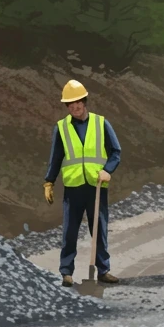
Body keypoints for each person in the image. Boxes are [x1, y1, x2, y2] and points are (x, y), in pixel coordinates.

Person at [43, 79, 122, 286]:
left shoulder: (101, 123)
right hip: (73, 188)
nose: (75, 107)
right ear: (67, 107)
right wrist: (49, 182)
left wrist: (107, 170)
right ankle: (66, 272)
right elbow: (56, 157)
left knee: (99, 230)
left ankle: (103, 270)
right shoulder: (61, 128)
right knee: (70, 231)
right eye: (70, 104)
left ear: (84, 101)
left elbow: (116, 152)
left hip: (96, 186)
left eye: (77, 102)